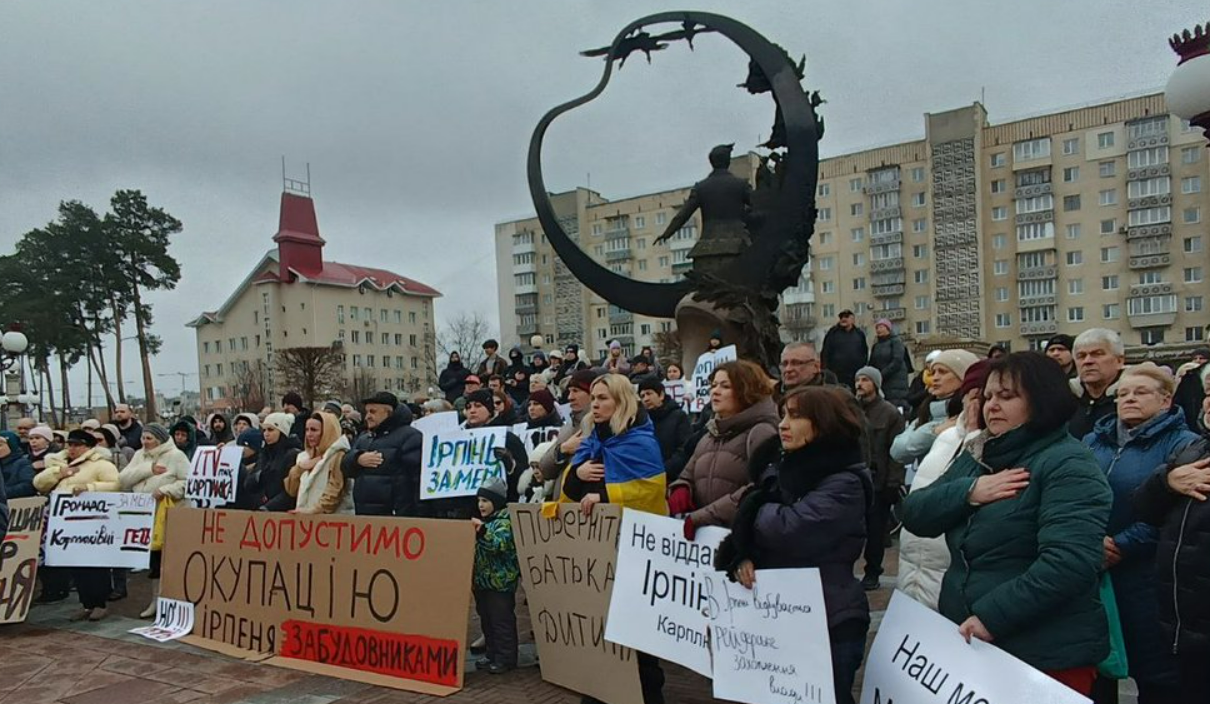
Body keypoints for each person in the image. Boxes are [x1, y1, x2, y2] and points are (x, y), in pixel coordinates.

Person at [901, 352, 1113, 697]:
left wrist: (991, 617)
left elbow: (1069, 563)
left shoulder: (1068, 463)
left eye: (1007, 396)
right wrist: (969, 491)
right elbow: (915, 513)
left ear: (1041, 401)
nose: (991, 406)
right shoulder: (981, 454)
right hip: (976, 647)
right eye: (988, 397)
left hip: (1044, 657)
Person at [714, 386, 872, 704]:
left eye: (796, 416)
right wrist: (745, 555)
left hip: (830, 621)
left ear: (824, 424)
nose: (784, 424)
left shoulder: (845, 481)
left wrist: (757, 505)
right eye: (783, 414)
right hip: (788, 618)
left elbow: (790, 529)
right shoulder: (788, 473)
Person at [1085, 363, 1200, 702]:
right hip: (1095, 572)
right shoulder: (1093, 441)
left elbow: (1181, 516)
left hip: (1150, 578)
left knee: (1156, 676)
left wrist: (1122, 545)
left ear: (1166, 401)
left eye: (1139, 392)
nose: (1128, 399)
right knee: (1098, 670)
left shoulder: (1186, 445)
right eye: (1122, 394)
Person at [560, 373, 667, 704]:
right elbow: (569, 490)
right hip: (597, 551)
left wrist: (603, 495)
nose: (595, 403)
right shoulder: (591, 439)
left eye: (603, 397)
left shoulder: (640, 441)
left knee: (638, 640)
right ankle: (600, 691)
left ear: (621, 401)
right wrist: (577, 474)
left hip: (633, 552)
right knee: (600, 627)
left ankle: (647, 695)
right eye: (594, 397)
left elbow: (651, 490)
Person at [1134, 378, 1210, 696]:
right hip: (1183, 628)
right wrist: (1166, 481)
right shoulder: (1196, 449)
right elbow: (1143, 508)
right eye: (1209, 394)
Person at [897, 359, 989, 609]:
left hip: (950, 580)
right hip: (913, 572)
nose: (978, 405)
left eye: (986, 396)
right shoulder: (945, 437)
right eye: (973, 396)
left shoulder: (997, 448)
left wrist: (973, 436)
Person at [668, 360, 778, 535]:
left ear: (746, 390)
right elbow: (687, 475)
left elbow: (758, 489)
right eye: (713, 385)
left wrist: (703, 516)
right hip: (705, 538)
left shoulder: (761, 432)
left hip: (742, 538)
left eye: (725, 386)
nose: (715, 391)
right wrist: (681, 489)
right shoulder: (709, 434)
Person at [33, 429, 121, 621]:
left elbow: (115, 484)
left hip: (93, 524)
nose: (72, 449)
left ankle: (100, 603)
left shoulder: (101, 465)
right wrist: (58, 473)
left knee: (94, 565)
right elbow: (39, 483)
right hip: (66, 524)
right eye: (70, 444)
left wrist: (89, 488)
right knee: (76, 566)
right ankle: (86, 603)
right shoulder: (58, 463)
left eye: (77, 445)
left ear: (87, 447)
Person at [119, 423, 190, 618]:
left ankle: (176, 601)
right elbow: (123, 479)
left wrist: (166, 490)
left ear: (159, 439)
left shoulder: (176, 456)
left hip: (171, 515)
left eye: (149, 438)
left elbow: (188, 482)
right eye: (143, 438)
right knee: (154, 562)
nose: (145, 442)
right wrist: (148, 469)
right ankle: (156, 601)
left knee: (171, 560)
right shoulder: (139, 455)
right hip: (145, 517)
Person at [853, 367, 907, 591]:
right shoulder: (851, 411)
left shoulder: (890, 413)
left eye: (865, 380)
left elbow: (896, 452)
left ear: (876, 384)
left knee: (876, 532)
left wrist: (893, 482)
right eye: (857, 380)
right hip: (855, 481)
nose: (859, 384)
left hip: (879, 482)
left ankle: (873, 571)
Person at [342, 391, 424, 517]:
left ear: (389, 413)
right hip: (365, 515)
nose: (367, 417)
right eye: (367, 412)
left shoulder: (410, 436)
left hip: (396, 516)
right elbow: (345, 467)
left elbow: (417, 479)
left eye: (373, 412)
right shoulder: (364, 438)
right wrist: (357, 459)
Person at [890, 349, 978, 465]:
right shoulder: (926, 413)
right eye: (933, 373)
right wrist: (934, 431)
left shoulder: (972, 414)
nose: (935, 378)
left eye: (942, 372)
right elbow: (897, 451)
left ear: (963, 377)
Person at [471, 476, 520, 675]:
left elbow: (498, 545)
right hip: (483, 582)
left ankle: (506, 658)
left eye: (486, 501)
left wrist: (482, 532)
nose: (481, 505)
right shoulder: (487, 522)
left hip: (500, 584)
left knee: (501, 621)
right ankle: (492, 654)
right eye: (479, 501)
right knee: (487, 621)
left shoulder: (504, 523)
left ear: (496, 502)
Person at [536, 369, 596, 496]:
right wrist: (562, 450)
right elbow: (545, 470)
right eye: (569, 391)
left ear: (592, 394)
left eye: (576, 391)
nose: (570, 397)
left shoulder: (602, 427)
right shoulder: (568, 428)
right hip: (564, 509)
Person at [464, 389, 528, 503]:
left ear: (490, 410)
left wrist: (511, 464)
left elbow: (525, 478)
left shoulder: (508, 438)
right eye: (468, 407)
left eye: (478, 406)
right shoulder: (459, 441)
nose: (472, 411)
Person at [286, 412, 353, 515]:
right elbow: (291, 490)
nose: (309, 434)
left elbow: (334, 491)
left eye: (314, 430)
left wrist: (313, 511)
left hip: (332, 522)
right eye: (307, 430)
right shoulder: (304, 456)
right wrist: (299, 468)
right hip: (307, 522)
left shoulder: (339, 456)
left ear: (327, 432)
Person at [1069, 328, 1126, 440]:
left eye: (1097, 354)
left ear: (1119, 361)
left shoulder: (1136, 399)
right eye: (1081, 356)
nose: (1087, 361)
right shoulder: (1064, 399)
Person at [246, 412, 300, 511]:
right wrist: (259, 476)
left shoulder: (292, 455)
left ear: (282, 432)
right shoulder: (264, 454)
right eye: (264, 430)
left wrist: (268, 507)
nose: (266, 434)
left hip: (282, 514)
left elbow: (290, 491)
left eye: (270, 430)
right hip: (261, 511)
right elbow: (248, 485)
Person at [638, 377, 691, 474]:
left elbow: (685, 449)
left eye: (649, 393)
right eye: (642, 396)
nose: (645, 399)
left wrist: (663, 470)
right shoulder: (642, 421)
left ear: (661, 395)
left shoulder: (679, 416)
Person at [821, 310, 868, 391]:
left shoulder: (859, 334)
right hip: (837, 375)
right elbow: (825, 352)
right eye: (841, 317)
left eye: (846, 317)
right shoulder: (833, 333)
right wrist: (826, 370)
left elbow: (864, 352)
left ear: (852, 319)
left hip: (855, 375)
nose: (843, 319)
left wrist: (862, 367)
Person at [868, 319, 909, 408]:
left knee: (895, 406)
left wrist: (881, 375)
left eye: (881, 327)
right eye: (877, 328)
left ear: (888, 328)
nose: (878, 330)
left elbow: (897, 361)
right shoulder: (876, 346)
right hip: (882, 382)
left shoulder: (896, 342)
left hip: (896, 382)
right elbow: (871, 363)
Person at [1173, 348, 1209, 433]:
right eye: (1195, 358)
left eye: (1201, 358)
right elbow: (1177, 401)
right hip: (1189, 423)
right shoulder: (1187, 377)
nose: (1198, 361)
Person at [233, 428, 263, 510]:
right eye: (239, 445)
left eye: (245, 445)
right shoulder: (235, 462)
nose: (241, 449)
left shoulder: (261, 463)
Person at [0, 431, 35, 499]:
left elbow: (28, 486)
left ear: (11, 446)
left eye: (0, 445)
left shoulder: (23, 463)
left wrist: (3, 493)